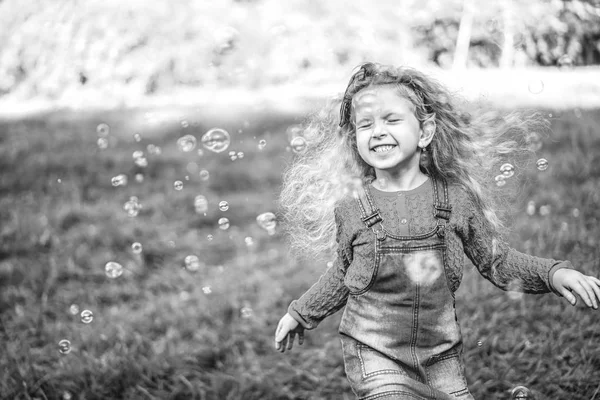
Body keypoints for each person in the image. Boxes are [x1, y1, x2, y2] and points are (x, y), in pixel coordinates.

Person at [274, 62, 600, 400]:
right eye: (365, 124)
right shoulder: (353, 209)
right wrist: (301, 312)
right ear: (354, 138)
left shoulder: (455, 200)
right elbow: (343, 274)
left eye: (392, 119)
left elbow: (497, 262)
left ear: (425, 132)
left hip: (440, 353)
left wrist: (553, 274)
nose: (378, 131)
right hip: (372, 349)